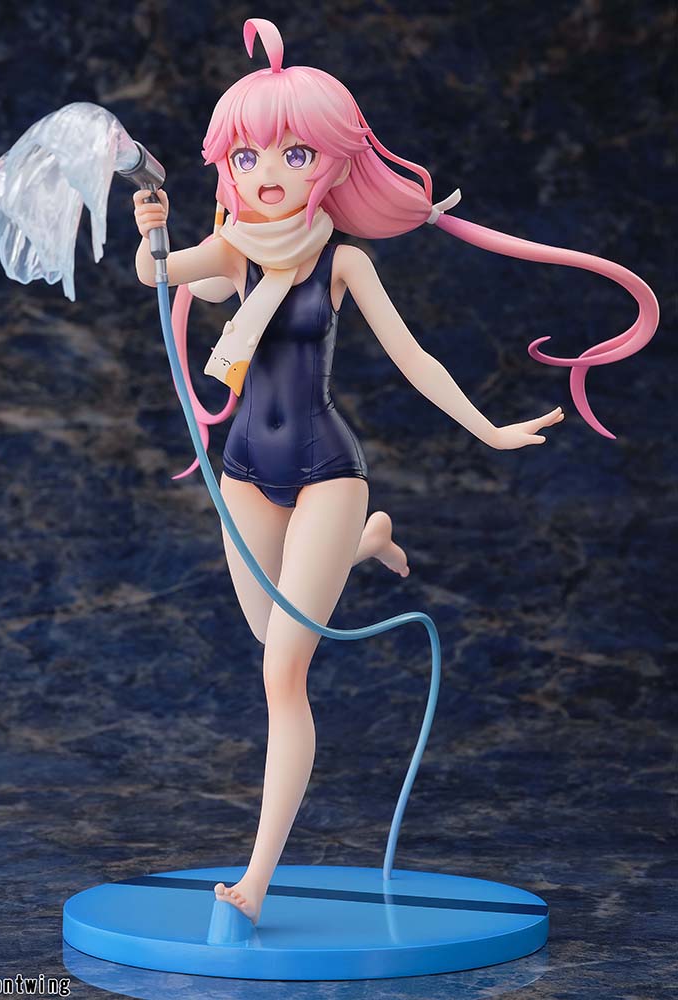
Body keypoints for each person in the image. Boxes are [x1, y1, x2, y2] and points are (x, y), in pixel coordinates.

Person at [132, 17, 657, 927]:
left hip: (325, 471)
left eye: (295, 153)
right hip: (244, 471)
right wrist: (150, 234)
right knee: (270, 638)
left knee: (283, 676)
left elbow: (414, 359)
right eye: (249, 155)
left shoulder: (342, 259)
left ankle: (255, 880)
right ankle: (368, 544)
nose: (268, 172)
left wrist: (487, 430)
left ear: (331, 164)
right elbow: (159, 276)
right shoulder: (235, 248)